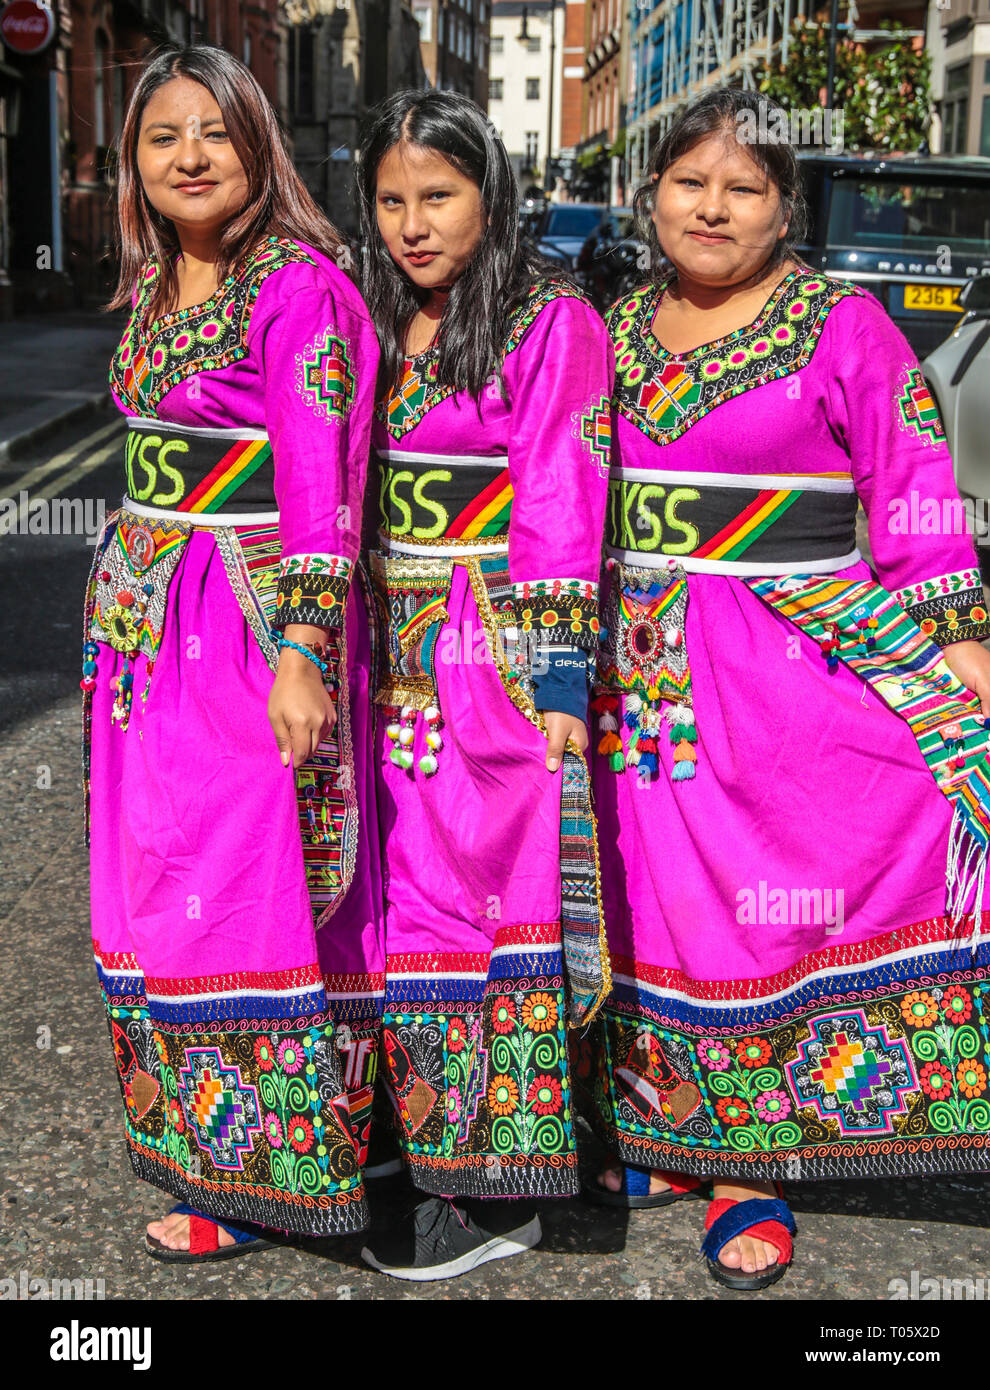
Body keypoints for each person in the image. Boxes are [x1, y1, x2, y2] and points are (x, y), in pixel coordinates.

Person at [580, 88, 990, 1290]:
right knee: (654, 904)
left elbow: (912, 483)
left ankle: (757, 1159)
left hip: (796, 671)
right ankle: (667, 1124)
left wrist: (960, 644)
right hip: (641, 675)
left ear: (783, 206)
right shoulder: (610, 326)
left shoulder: (842, 323)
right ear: (648, 194)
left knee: (777, 900)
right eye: (688, 183)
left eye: (743, 187)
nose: (710, 208)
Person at [84, 45, 383, 1261]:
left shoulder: (295, 289)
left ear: (259, 143)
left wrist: (304, 650)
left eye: (214, 132)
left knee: (250, 882)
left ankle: (267, 1172)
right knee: (160, 876)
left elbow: (322, 482)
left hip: (248, 629)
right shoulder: (160, 286)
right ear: (136, 162)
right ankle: (206, 1138)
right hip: (146, 631)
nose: (190, 157)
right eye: (163, 138)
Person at [354, 90, 613, 1280]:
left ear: (492, 194)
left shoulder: (546, 321)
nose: (413, 224)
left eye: (439, 197)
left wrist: (558, 674)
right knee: (394, 904)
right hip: (379, 662)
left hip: (485, 653)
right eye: (393, 200)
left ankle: (483, 1183)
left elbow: (561, 494)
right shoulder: (366, 313)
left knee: (478, 901)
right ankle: (411, 1151)